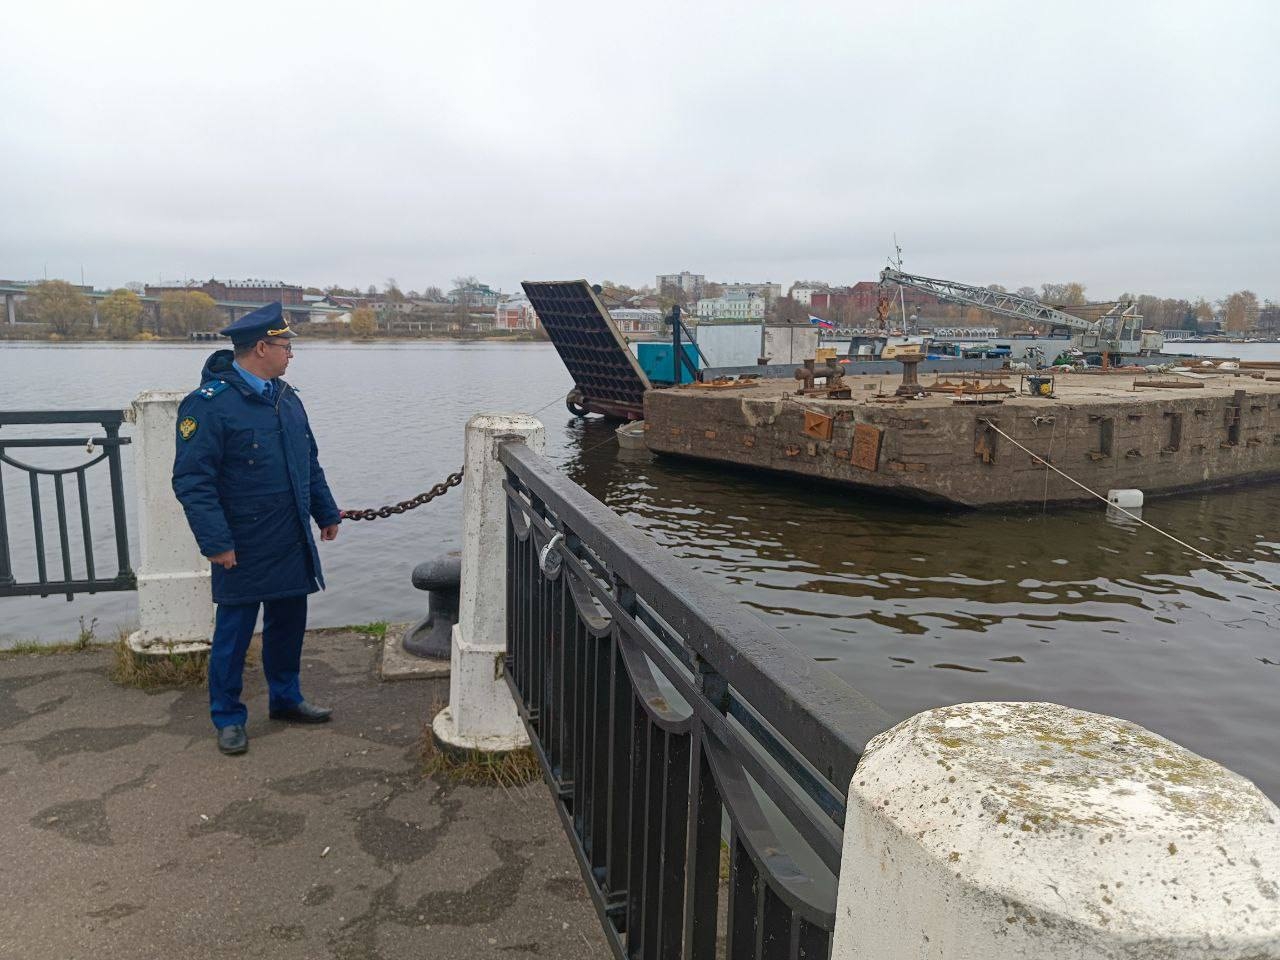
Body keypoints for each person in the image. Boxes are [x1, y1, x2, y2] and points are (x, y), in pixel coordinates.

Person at [171, 301, 342, 755]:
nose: (291, 354)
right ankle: (227, 717)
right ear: (262, 348)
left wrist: (326, 512)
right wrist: (216, 542)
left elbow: (308, 462)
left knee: (288, 625)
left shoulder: (286, 398)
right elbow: (192, 481)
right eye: (286, 346)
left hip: (289, 535)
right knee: (234, 635)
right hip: (241, 543)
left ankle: (286, 699)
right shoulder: (209, 405)